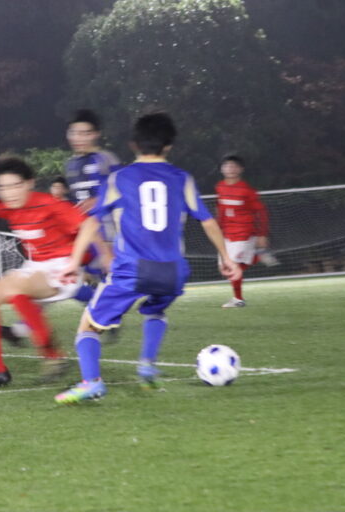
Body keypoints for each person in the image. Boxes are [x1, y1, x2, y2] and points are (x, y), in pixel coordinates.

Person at [54, 112, 241, 404]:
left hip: (133, 269)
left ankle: (91, 383)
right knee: (155, 310)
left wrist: (73, 262)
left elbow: (92, 221)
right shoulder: (182, 178)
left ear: (134, 144)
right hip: (173, 272)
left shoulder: (120, 178)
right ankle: (146, 365)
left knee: (88, 325)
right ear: (169, 146)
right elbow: (207, 221)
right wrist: (226, 258)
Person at [0, 156, 97, 390]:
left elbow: (90, 225)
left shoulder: (49, 204)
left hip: (61, 269)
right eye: (2, 187)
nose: (9, 193)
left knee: (15, 286)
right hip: (35, 268)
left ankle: (49, 348)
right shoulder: (8, 208)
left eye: (15, 185)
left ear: (29, 183)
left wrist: (75, 263)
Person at [215, 154, 274, 308]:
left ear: (241, 169)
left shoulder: (247, 190)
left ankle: (238, 300)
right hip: (227, 232)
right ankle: (257, 256)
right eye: (227, 166)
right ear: (221, 169)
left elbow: (261, 212)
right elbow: (220, 209)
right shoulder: (220, 186)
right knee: (225, 268)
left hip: (244, 232)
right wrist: (218, 228)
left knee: (232, 266)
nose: (230, 169)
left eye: (234, 166)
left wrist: (262, 234)